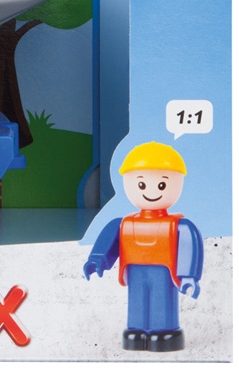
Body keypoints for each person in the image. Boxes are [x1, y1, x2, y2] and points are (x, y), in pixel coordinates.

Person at [84, 142, 203, 351]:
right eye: (141, 184)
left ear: (178, 182)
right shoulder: (123, 223)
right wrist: (97, 260)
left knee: (162, 301)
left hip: (164, 272)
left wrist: (188, 276)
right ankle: (136, 330)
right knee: (137, 301)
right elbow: (108, 242)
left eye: (162, 185)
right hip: (135, 271)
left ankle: (164, 332)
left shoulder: (179, 226)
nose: (151, 191)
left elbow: (189, 248)